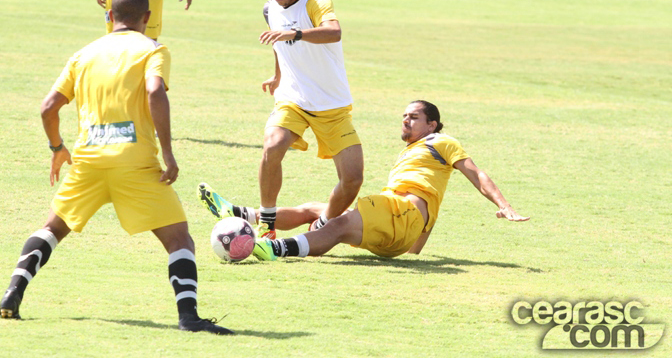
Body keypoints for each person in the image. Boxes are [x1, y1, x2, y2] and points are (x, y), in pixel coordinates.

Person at [0, 0, 232, 335]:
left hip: (89, 160)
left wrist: (57, 148)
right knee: (179, 240)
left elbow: (48, 107)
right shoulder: (153, 49)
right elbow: (155, 91)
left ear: (110, 16)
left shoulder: (83, 54)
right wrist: (168, 152)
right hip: (135, 163)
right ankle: (189, 317)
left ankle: (13, 291)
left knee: (52, 229)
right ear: (147, 18)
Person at [198, 100, 528, 261]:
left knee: (337, 224)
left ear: (433, 125)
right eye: (404, 115)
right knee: (320, 209)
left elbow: (476, 173)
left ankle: (273, 248)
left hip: (400, 216)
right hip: (397, 229)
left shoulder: (442, 142)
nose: (406, 119)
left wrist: (505, 205)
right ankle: (240, 214)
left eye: (414, 116)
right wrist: (413, 247)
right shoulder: (412, 156)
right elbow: (426, 210)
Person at [254, 0, 364, 241]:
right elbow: (279, 43)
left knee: (353, 179)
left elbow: (334, 32)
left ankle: (322, 223)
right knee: (272, 146)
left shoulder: (317, 1)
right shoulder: (269, 9)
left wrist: (297, 33)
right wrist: (278, 76)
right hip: (293, 98)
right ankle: (267, 222)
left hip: (331, 103)